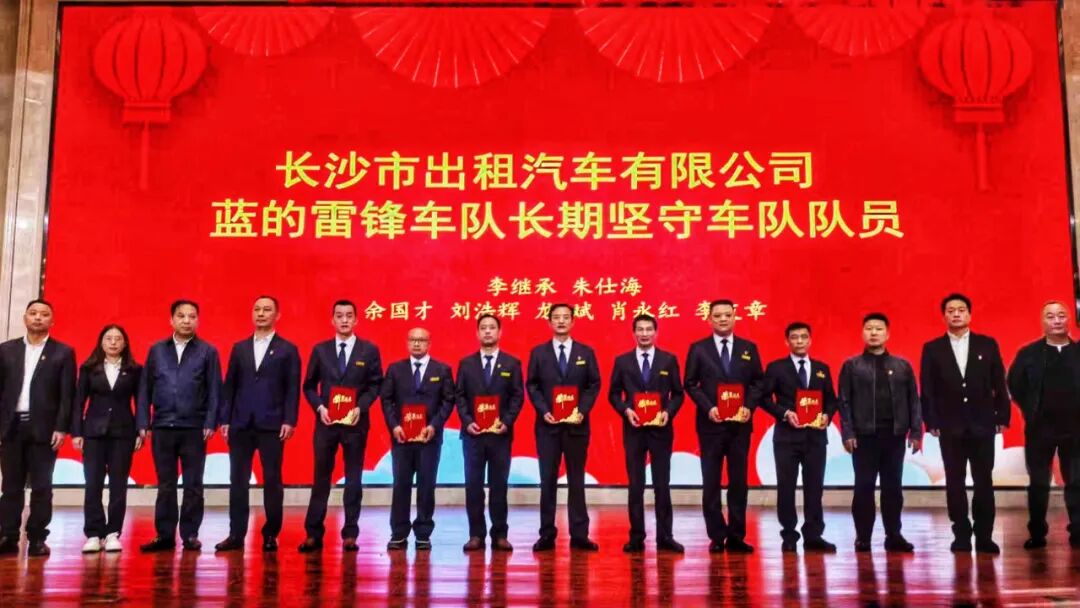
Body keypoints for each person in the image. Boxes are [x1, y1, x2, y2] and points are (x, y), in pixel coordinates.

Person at [920, 293, 1009, 554]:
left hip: (983, 424)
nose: (956, 314)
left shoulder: (987, 344)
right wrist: (931, 420)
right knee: (954, 482)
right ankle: (960, 533)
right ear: (944, 316)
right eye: (951, 310)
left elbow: (999, 383)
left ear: (969, 314)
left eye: (961, 310)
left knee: (984, 481)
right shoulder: (932, 348)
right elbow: (927, 388)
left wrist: (1002, 416)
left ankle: (984, 536)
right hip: (950, 426)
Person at [215, 296, 301, 553]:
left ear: (277, 315)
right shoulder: (239, 348)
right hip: (241, 424)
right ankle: (236, 534)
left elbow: (292, 388)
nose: (261, 314)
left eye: (267, 310)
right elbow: (229, 386)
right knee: (237, 481)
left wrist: (289, 419)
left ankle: (270, 533)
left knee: (272, 480)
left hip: (272, 424)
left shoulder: (288, 349)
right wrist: (225, 418)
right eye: (257, 309)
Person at [298, 300, 383, 553]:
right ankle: (313, 533)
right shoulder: (321, 350)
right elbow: (309, 386)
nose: (344, 320)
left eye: (348, 316)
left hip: (355, 424)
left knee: (353, 479)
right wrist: (320, 408)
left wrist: (360, 408)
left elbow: (375, 385)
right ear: (332, 320)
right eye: (339, 316)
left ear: (356, 320)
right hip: (326, 424)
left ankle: (350, 534)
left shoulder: (369, 350)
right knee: (321, 478)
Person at [137, 299, 222, 552]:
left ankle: (190, 534)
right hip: (162, 426)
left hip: (194, 428)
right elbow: (145, 388)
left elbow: (215, 390)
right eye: (181, 316)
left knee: (193, 484)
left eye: (192, 316)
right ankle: (164, 535)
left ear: (198, 320)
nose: (187, 321)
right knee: (166, 484)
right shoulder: (157, 350)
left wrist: (211, 421)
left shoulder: (208, 351)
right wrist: (143, 421)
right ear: (171, 320)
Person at [838, 312, 923, 553]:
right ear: (862, 333)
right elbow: (844, 401)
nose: (873, 333)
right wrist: (847, 432)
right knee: (864, 487)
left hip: (894, 436)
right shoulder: (852, 366)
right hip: (863, 438)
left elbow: (914, 401)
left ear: (887, 334)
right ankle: (863, 537)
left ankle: (893, 535)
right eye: (869, 328)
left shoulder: (902, 366)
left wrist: (916, 432)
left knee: (893, 488)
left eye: (878, 328)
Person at [684, 299, 763, 553]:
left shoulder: (748, 348)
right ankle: (717, 535)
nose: (722, 319)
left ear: (735, 317)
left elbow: (758, 383)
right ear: (709, 319)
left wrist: (748, 407)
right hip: (711, 426)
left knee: (739, 481)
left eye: (727, 315)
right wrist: (709, 407)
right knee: (711, 481)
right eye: (717, 316)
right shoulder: (699, 349)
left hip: (740, 426)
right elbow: (690, 383)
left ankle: (737, 536)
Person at [0, 299, 76, 557]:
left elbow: (67, 395)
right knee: (10, 485)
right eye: (33, 313)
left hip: (44, 429)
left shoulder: (63, 353)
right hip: (11, 427)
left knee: (42, 487)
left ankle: (37, 538)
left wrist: (61, 428)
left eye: (44, 314)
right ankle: (8, 535)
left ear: (52, 321)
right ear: (25, 318)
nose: (38, 318)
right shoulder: (6, 350)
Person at [607, 314, 685, 553]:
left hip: (661, 430)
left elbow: (678, 394)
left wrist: (668, 412)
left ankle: (665, 536)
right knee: (635, 485)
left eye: (648, 329)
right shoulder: (622, 361)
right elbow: (613, 394)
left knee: (662, 484)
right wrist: (626, 410)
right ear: (633, 333)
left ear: (656, 332)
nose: (644, 334)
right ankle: (636, 536)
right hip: (634, 430)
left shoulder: (668, 360)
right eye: (640, 330)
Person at [527, 303, 602, 552]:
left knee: (576, 480)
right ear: (549, 322)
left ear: (573, 321)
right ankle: (547, 534)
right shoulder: (539, 353)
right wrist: (544, 410)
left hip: (576, 427)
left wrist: (582, 410)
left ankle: (580, 534)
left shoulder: (585, 352)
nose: (561, 321)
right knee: (547, 480)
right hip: (547, 427)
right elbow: (532, 385)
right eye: (556, 317)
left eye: (565, 317)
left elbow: (594, 384)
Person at [1007, 300, 1080, 549]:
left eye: (1061, 315)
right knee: (1039, 482)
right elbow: (1014, 384)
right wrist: (1031, 410)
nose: (1057, 320)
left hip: (1075, 430)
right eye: (1051, 316)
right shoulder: (1028, 354)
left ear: (1069, 319)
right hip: (1040, 429)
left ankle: (1077, 530)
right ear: (1043, 322)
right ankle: (1037, 533)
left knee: (1076, 481)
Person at [762, 321, 838, 553]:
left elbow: (831, 400)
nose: (799, 341)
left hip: (815, 438)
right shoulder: (776, 368)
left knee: (815, 488)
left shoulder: (822, 368)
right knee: (786, 488)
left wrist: (827, 415)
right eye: (794, 337)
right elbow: (764, 399)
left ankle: (813, 535)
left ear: (810, 340)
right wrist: (785, 413)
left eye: (804, 337)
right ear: (787, 341)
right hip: (786, 439)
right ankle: (789, 535)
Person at [382, 328, 455, 551]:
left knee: (426, 486)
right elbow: (386, 400)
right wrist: (394, 426)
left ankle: (423, 533)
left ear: (429, 343)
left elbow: (448, 401)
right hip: (402, 439)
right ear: (407, 342)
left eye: (421, 340)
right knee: (401, 485)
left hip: (429, 440)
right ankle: (398, 533)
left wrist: (434, 426)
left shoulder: (442, 370)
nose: (417, 344)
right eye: (413, 339)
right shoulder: (395, 369)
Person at [455, 314, 524, 552]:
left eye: (492, 327)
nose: (487, 331)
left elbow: (517, 396)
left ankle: (500, 534)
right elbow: (459, 396)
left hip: (500, 436)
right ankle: (476, 534)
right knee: (473, 486)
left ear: (499, 332)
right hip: (473, 436)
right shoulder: (466, 364)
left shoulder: (512, 363)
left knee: (499, 486)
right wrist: (467, 422)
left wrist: (507, 421)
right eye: (483, 328)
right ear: (477, 333)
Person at [72, 324, 143, 553]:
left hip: (123, 433)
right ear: (101, 342)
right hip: (93, 433)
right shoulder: (89, 368)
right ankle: (94, 533)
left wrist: (141, 429)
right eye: (108, 338)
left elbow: (141, 402)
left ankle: (113, 533)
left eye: (118, 338)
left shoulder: (134, 370)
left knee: (118, 485)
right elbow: (78, 402)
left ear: (125, 343)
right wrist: (77, 432)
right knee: (92, 484)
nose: (113, 342)